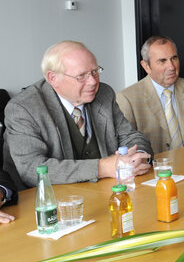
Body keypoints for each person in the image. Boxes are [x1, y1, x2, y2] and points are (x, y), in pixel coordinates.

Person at [3, 41, 152, 189]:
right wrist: (102, 168)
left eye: (95, 71)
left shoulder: (104, 94)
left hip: (104, 191)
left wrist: (137, 157)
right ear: (53, 78)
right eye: (81, 76)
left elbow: (131, 136)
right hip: (47, 201)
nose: (93, 81)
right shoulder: (24, 108)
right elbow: (31, 170)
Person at [117, 36, 184, 153]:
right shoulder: (127, 99)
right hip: (154, 167)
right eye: (162, 61)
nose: (171, 67)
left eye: (174, 58)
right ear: (146, 66)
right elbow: (130, 148)